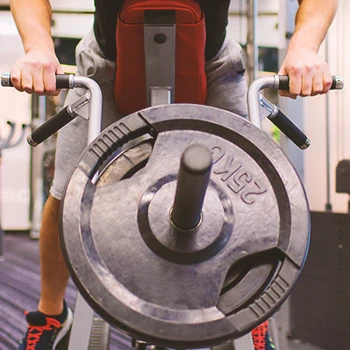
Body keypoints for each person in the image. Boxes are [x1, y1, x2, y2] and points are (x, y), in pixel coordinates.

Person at [9, 0, 337, 349]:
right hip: (106, 62)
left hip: (211, 62)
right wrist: (38, 46)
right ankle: (52, 315)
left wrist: (304, 47)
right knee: (68, 195)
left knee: (253, 191)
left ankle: (247, 310)